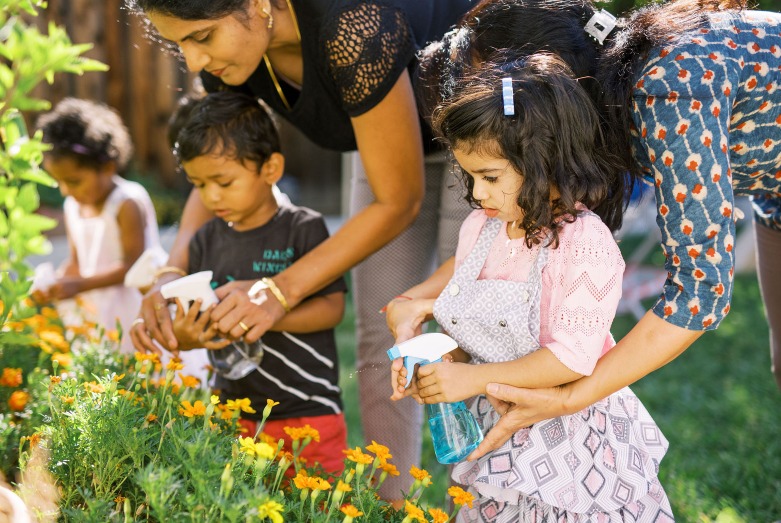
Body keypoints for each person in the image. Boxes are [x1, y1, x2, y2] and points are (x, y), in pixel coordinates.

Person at [125, 0, 475, 500]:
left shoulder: (350, 24)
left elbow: (399, 201)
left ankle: (488, 505)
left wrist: (278, 290)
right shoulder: (233, 63)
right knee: (385, 334)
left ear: (258, 4)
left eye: (201, 37)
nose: (194, 63)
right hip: (387, 139)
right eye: (179, 43)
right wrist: (171, 273)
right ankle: (390, 508)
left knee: (471, 330)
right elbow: (221, 163)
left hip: (485, 128)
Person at [415, 0, 781, 461]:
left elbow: (700, 288)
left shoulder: (666, 90)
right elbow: (533, 252)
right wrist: (435, 300)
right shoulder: (601, 111)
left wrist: (570, 397)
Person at [387, 55, 671, 520]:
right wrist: (441, 364)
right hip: (495, 433)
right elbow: (472, 325)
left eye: (490, 178)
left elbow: (571, 357)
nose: (477, 195)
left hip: (568, 442)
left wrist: (471, 379)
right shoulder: (481, 229)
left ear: (546, 161)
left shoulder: (583, 243)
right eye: (471, 177)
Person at [170, 91, 349, 475]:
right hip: (232, 412)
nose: (211, 196)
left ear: (270, 169)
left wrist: (265, 314)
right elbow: (192, 328)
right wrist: (189, 333)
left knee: (316, 508)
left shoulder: (303, 228)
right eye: (199, 185)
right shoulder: (204, 240)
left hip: (306, 410)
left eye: (223, 181)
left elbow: (332, 309)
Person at [35, 98, 162, 354]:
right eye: (60, 182)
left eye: (74, 181)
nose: (66, 190)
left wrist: (80, 285)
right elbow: (76, 262)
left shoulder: (126, 203)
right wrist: (57, 283)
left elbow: (133, 266)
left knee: (137, 366)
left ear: (107, 166)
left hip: (133, 305)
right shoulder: (73, 207)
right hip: (99, 309)